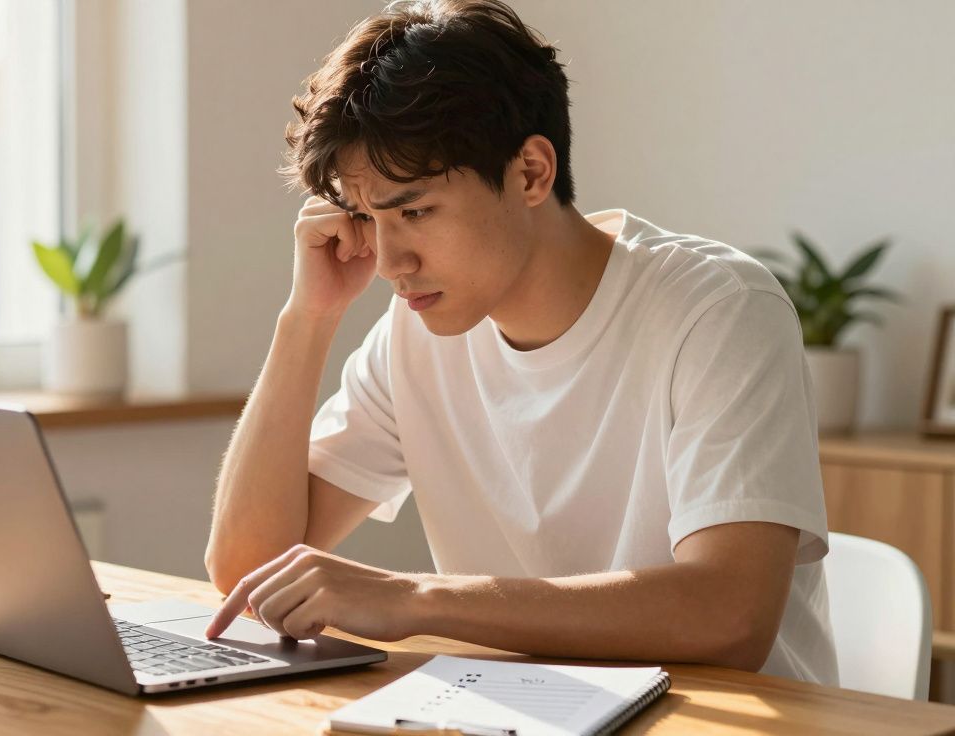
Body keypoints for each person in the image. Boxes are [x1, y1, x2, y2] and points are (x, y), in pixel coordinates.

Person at [202, 0, 836, 685]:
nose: (389, 262)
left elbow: (729, 615)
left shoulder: (717, 312)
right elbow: (246, 566)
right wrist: (308, 317)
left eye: (414, 211)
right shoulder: (414, 338)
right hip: (526, 710)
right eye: (366, 217)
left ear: (531, 172)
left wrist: (413, 599)